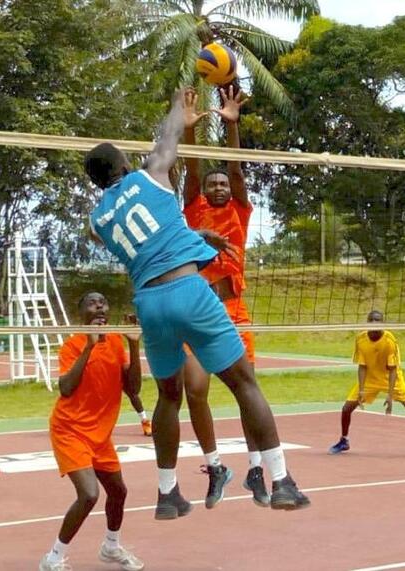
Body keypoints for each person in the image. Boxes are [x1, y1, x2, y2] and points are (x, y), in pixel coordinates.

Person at [85, 88, 309, 520]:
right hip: (188, 290)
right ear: (125, 165)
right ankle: (281, 481)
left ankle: (167, 493)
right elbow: (167, 140)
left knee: (169, 396)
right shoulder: (149, 175)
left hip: (149, 304)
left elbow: (133, 233)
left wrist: (194, 236)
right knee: (244, 383)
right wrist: (179, 109)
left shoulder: (98, 220)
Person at [180, 86, 269, 507]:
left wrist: (232, 126)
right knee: (194, 388)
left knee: (247, 390)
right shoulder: (193, 210)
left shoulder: (239, 210)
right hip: (198, 311)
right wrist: (190, 129)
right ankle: (215, 466)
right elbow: (191, 169)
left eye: (222, 183)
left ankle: (256, 468)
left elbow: (236, 170)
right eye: (212, 183)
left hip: (234, 310)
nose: (218, 186)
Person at [40, 292, 144, 571]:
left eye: (103, 302)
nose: (99, 305)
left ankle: (111, 547)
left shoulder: (116, 343)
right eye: (92, 303)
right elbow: (66, 388)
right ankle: (53, 558)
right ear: (81, 314)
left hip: (100, 434)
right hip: (69, 429)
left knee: (118, 491)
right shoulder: (72, 345)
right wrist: (89, 346)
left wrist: (134, 345)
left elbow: (133, 388)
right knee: (89, 494)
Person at [328, 310, 405, 455]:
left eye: (378, 321)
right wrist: (361, 390)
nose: (374, 324)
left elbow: (393, 369)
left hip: (391, 379)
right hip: (370, 379)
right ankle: (344, 440)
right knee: (346, 408)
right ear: (367, 323)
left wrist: (390, 394)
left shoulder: (389, 341)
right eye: (372, 320)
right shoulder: (361, 339)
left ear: (382, 324)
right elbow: (362, 366)